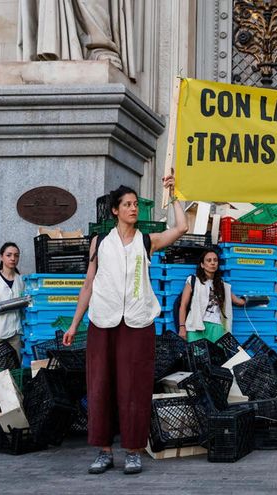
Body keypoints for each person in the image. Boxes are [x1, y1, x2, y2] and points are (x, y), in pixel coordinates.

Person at [62, 178, 187, 475]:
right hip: (103, 322)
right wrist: (74, 324)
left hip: (137, 323)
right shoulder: (100, 242)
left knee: (135, 387)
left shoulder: (147, 241)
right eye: (127, 205)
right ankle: (104, 451)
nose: (133, 209)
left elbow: (181, 227)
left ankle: (133, 451)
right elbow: (88, 284)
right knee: (100, 386)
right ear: (115, 210)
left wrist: (175, 196)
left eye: (135, 204)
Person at [177, 248, 247, 343]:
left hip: (216, 327)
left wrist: (260, 300)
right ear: (202, 264)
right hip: (195, 327)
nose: (213, 263)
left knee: (216, 353)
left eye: (215, 260)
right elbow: (183, 305)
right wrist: (182, 327)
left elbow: (238, 301)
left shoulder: (222, 285)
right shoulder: (193, 280)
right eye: (209, 260)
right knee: (196, 352)